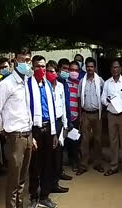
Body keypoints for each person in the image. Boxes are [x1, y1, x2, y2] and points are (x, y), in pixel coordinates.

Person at [0, 47, 33, 208]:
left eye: (28, 60)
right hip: (15, 137)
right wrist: (4, 131)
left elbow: (26, 110)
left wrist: (31, 134)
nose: (25, 63)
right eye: (22, 60)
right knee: (13, 182)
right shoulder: (6, 84)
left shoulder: (25, 81)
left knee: (22, 181)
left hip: (28, 135)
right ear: (15, 60)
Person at [26, 55, 58, 208]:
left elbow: (52, 110)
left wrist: (54, 134)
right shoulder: (27, 85)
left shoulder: (47, 85)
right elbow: (26, 111)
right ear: (33, 68)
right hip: (36, 130)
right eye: (38, 66)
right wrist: (31, 135)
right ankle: (33, 197)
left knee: (47, 164)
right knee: (34, 165)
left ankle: (44, 196)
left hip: (48, 129)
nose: (41, 69)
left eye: (43, 66)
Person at [101, 60, 122, 177]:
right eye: (113, 67)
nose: (115, 69)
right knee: (113, 141)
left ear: (120, 69)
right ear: (111, 69)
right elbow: (102, 98)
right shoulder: (107, 83)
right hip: (111, 116)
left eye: (117, 67)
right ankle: (114, 166)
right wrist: (107, 101)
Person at [77, 57, 105, 175]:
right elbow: (79, 99)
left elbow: (104, 98)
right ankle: (83, 165)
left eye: (92, 66)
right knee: (85, 140)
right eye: (88, 66)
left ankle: (97, 163)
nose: (89, 68)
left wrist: (103, 113)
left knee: (98, 139)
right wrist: (80, 115)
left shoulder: (101, 81)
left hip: (97, 114)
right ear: (85, 67)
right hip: (86, 114)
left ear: (95, 68)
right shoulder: (81, 82)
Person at [45, 60, 69, 194]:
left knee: (58, 154)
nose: (51, 74)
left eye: (53, 71)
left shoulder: (60, 86)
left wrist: (65, 124)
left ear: (57, 73)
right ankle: (48, 184)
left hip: (59, 122)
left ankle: (55, 183)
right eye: (48, 71)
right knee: (49, 155)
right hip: (49, 124)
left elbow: (64, 106)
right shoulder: (44, 86)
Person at [56, 58, 73, 181]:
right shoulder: (56, 83)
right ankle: (57, 173)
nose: (66, 71)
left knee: (61, 147)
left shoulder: (65, 83)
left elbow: (66, 104)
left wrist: (68, 120)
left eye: (68, 69)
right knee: (57, 148)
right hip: (57, 121)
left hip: (65, 119)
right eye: (64, 69)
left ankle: (60, 171)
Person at [65, 61, 81, 172]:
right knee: (66, 140)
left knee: (75, 140)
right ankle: (69, 159)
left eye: (76, 70)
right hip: (66, 117)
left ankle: (75, 161)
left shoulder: (80, 83)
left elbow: (80, 100)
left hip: (76, 117)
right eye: (72, 70)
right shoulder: (64, 82)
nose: (74, 72)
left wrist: (80, 116)